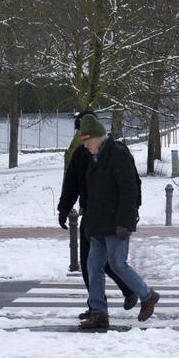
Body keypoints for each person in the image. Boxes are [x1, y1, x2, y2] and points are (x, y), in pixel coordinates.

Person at [74, 114, 160, 329]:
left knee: (117, 264)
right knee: (93, 266)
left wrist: (125, 223)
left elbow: (129, 190)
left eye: (87, 141)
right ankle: (98, 312)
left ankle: (148, 295)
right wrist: (89, 223)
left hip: (116, 222)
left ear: (98, 137)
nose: (85, 146)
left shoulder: (118, 154)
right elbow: (93, 193)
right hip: (97, 224)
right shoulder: (94, 157)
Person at [58, 110, 137, 321]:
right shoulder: (80, 154)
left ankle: (130, 293)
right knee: (91, 263)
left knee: (110, 263)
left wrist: (130, 215)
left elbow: (131, 186)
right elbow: (71, 184)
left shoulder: (115, 152)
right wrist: (64, 208)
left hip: (110, 216)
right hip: (90, 216)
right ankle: (97, 307)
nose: (82, 137)